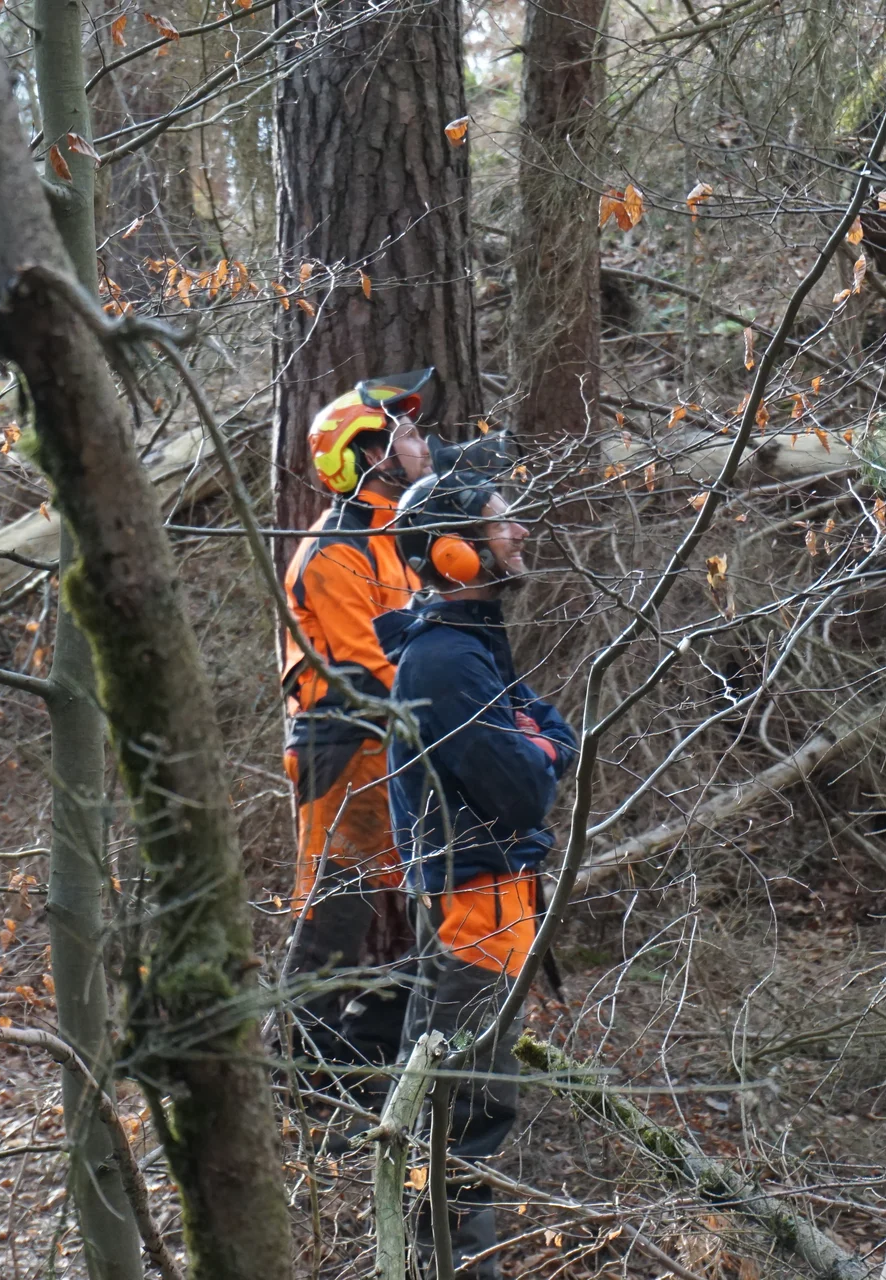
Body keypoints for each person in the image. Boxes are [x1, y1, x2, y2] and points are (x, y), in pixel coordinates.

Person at [374, 469, 576, 1279]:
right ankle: (447, 1268)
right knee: (463, 1117)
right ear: (455, 554)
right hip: (475, 908)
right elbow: (528, 788)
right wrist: (543, 748)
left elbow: (553, 728)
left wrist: (541, 741)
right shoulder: (447, 663)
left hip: (495, 901)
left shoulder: (473, 648)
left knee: (465, 1108)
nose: (521, 534)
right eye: (502, 525)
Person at [280, 370, 435, 1076]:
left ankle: (376, 1061)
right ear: (369, 453)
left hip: (393, 748)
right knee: (333, 916)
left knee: (410, 918)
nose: (420, 443)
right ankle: (299, 1073)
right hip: (347, 746)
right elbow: (371, 667)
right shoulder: (337, 550)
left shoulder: (392, 538)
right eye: (406, 433)